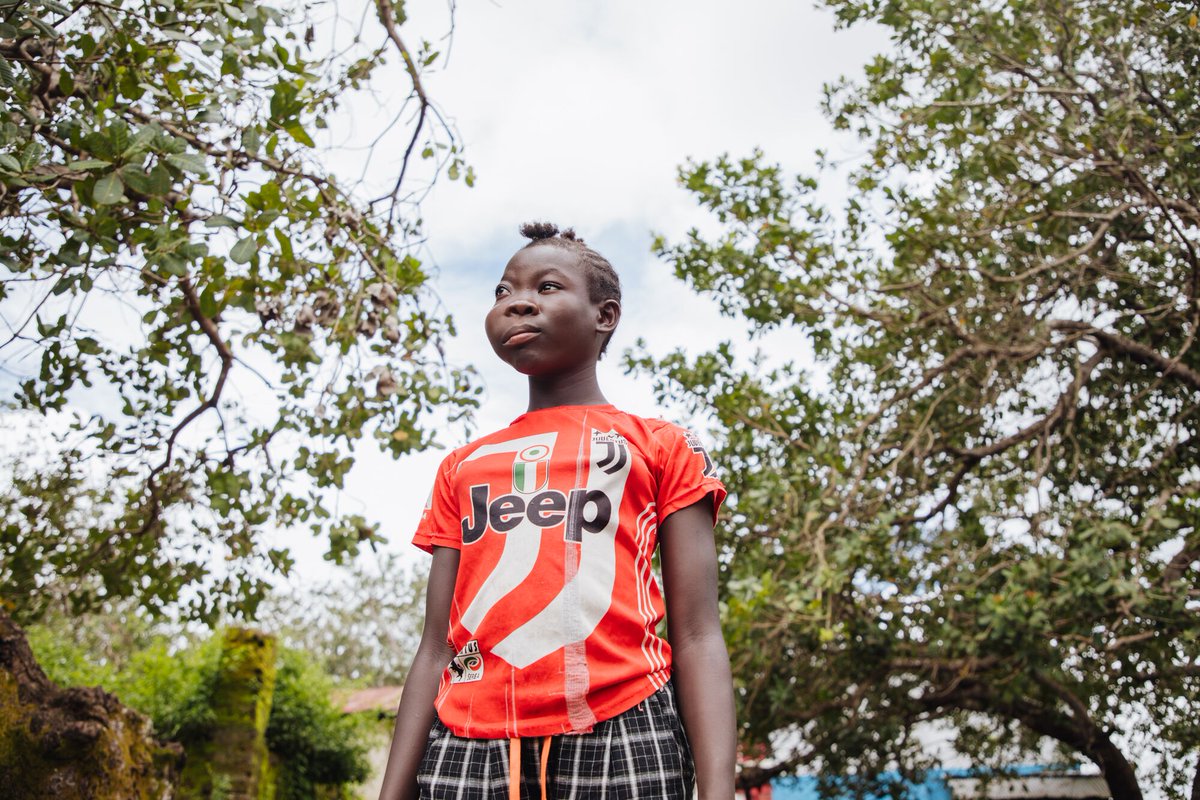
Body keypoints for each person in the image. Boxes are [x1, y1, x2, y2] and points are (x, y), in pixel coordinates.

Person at [378, 222, 736, 800]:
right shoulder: (463, 466)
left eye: (546, 286)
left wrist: (718, 792)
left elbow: (696, 634)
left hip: (624, 727)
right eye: (502, 292)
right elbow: (436, 647)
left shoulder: (660, 447)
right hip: (466, 742)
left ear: (605, 316)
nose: (516, 301)